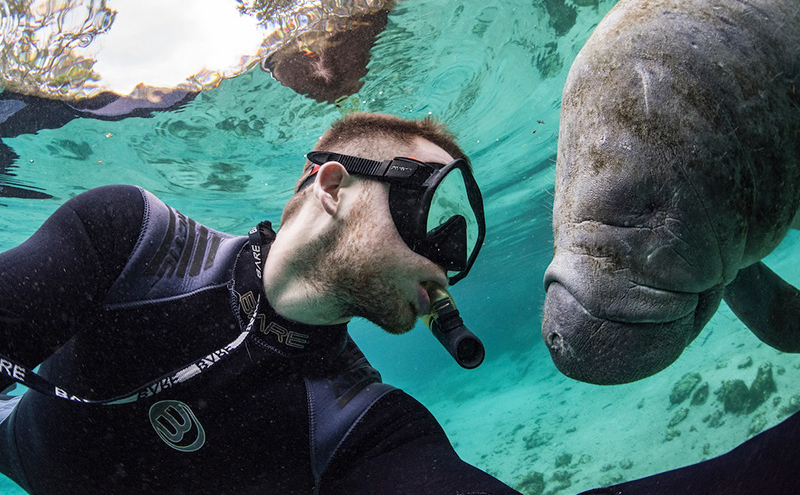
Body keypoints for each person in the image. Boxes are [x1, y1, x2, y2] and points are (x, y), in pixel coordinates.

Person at [0, 112, 519, 494]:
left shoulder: (363, 422)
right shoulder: (136, 240)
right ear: (334, 186)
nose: (448, 262)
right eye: (437, 209)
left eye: (462, 239)